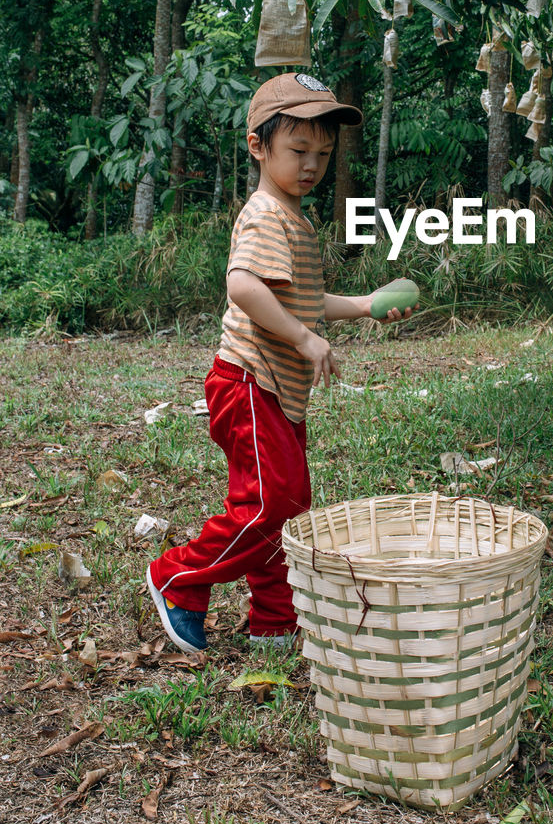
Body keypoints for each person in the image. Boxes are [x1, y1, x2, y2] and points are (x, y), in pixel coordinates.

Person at [146, 72, 410, 653]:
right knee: (274, 500)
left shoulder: (295, 218)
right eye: (297, 150)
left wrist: (365, 306)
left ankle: (272, 618)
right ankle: (176, 577)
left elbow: (304, 299)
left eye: (322, 153)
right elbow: (242, 285)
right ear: (258, 146)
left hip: (274, 387)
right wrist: (303, 339)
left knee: (280, 503)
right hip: (248, 380)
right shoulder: (266, 213)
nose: (311, 164)